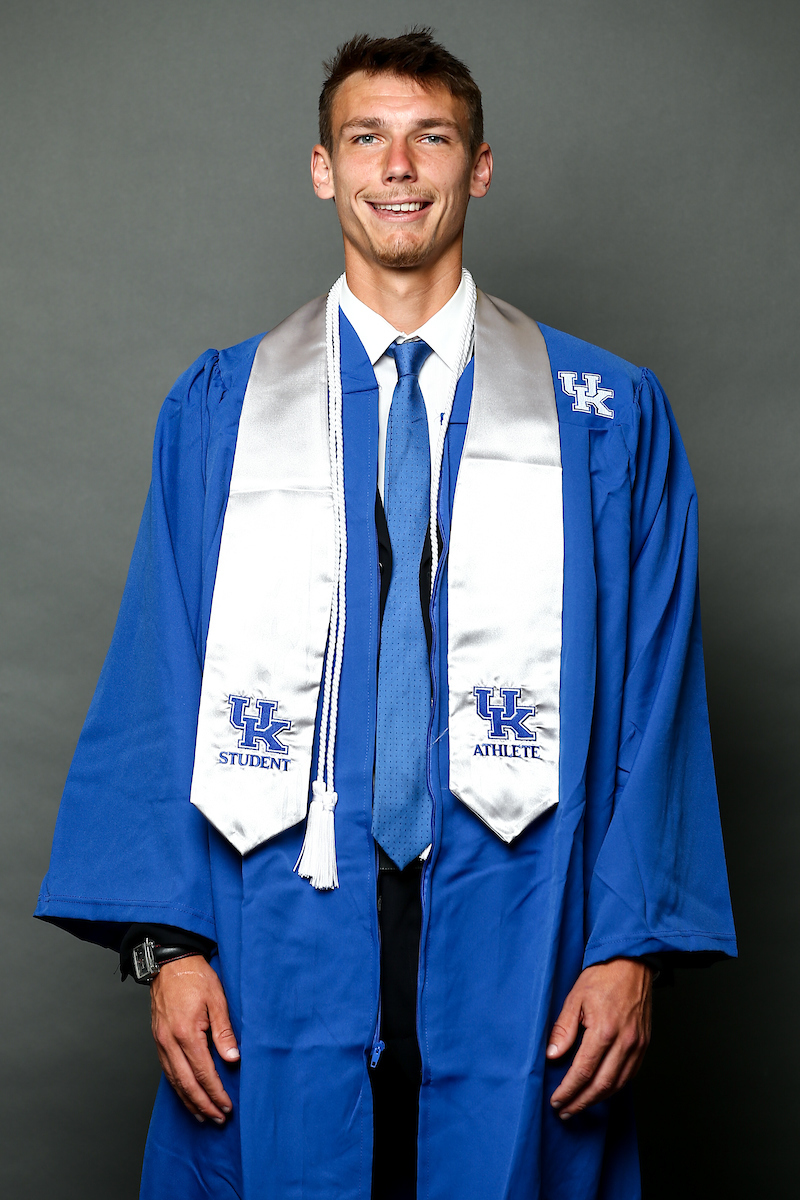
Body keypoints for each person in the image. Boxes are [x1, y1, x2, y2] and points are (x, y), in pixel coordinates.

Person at [36, 28, 736, 1200]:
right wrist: (170, 946)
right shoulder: (222, 409)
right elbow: (163, 671)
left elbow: (657, 693)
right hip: (278, 910)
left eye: (431, 139)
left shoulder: (603, 416)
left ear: (478, 166)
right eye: (366, 139)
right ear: (324, 169)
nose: (397, 167)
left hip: (525, 910)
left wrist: (630, 949)